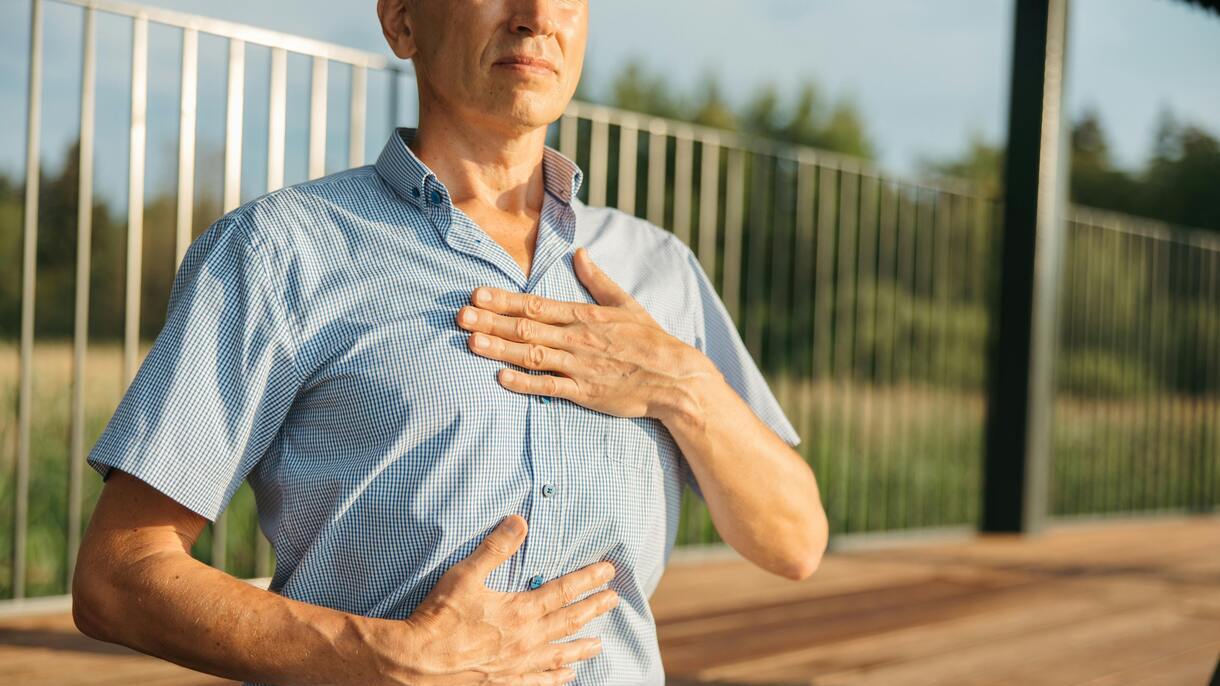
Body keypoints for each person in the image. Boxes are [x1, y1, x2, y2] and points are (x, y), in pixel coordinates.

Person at [70, 0, 829, 683]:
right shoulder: (278, 253)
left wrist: (681, 385)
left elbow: (795, 542)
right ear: (402, 21)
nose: (535, 15)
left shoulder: (658, 270)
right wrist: (380, 657)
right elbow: (117, 576)